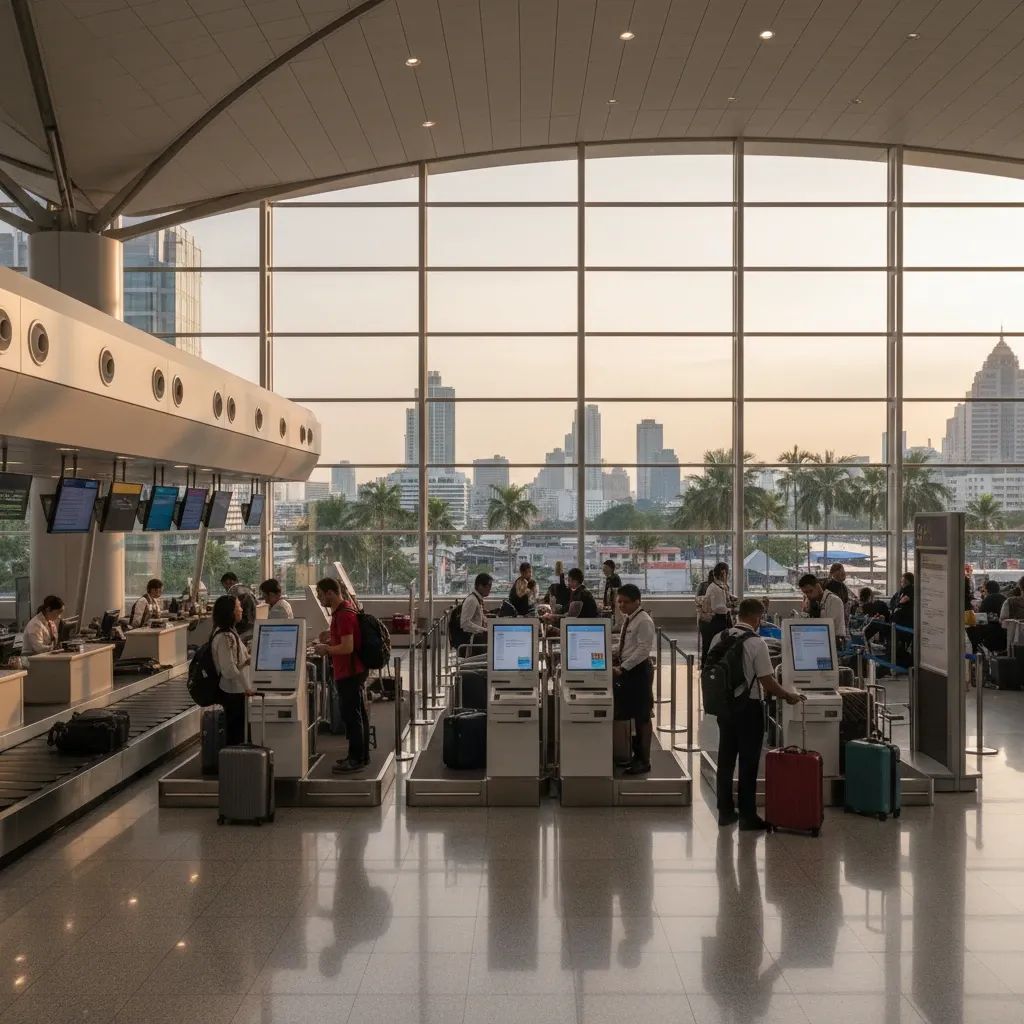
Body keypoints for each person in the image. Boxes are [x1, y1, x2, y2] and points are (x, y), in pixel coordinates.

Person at [709, 597, 804, 831]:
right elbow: (767, 680)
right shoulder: (756, 642)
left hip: (724, 706)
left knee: (725, 758)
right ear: (756, 617)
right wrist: (787, 695)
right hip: (748, 707)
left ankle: (725, 811)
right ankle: (748, 816)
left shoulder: (718, 637)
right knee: (748, 761)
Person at [314, 578, 371, 774]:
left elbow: (348, 647)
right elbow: (346, 640)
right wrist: (330, 637)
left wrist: (326, 649)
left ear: (330, 593)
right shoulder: (344, 611)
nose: (320, 598)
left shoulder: (344, 615)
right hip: (351, 670)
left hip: (350, 672)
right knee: (357, 714)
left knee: (352, 715)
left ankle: (355, 759)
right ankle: (359, 756)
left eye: (320, 594)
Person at [613, 584, 657, 775]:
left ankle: (644, 760)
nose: (621, 605)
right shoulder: (629, 619)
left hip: (638, 672)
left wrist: (623, 668)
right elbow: (628, 646)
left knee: (642, 716)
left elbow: (642, 650)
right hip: (627, 671)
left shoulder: (644, 621)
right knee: (630, 714)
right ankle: (633, 756)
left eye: (625, 602)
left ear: (637, 601)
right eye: (619, 601)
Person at [210, 594, 255, 746]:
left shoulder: (228, 633)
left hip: (236, 691)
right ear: (230, 612)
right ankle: (233, 766)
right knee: (236, 735)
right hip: (233, 693)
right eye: (238, 607)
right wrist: (246, 687)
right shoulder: (225, 637)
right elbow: (229, 670)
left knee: (239, 733)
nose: (241, 609)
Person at [798, 573, 848, 649]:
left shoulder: (834, 601)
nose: (808, 595)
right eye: (805, 593)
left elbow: (825, 628)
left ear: (818, 586)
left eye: (810, 591)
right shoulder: (812, 601)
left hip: (835, 641)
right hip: (820, 640)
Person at [699, 563, 733, 661]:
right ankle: (709, 669)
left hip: (715, 620)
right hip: (714, 622)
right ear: (723, 572)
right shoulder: (715, 588)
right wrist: (729, 608)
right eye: (727, 572)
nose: (728, 575)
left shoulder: (719, 586)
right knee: (712, 647)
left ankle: (708, 669)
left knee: (710, 646)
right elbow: (716, 608)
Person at [460, 572, 493, 647]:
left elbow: (479, 617)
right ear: (480, 586)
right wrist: (484, 630)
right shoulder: (472, 600)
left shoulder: (477, 599)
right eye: (489, 586)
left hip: (478, 638)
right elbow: (465, 624)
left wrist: (491, 624)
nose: (490, 589)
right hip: (474, 641)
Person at [221, 572, 257, 641]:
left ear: (237, 582)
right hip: (248, 629)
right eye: (226, 584)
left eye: (231, 583)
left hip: (245, 629)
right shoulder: (245, 591)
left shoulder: (240, 595)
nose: (228, 586)